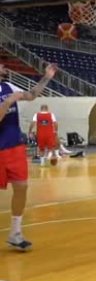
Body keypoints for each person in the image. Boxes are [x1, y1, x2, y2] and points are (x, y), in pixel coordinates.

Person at [0, 62, 58, 251]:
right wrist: (7, 102)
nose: (3, 66)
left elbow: (32, 95)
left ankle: (15, 233)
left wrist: (47, 78)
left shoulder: (8, 87)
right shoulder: (8, 96)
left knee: (22, 187)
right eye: (0, 65)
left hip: (15, 147)